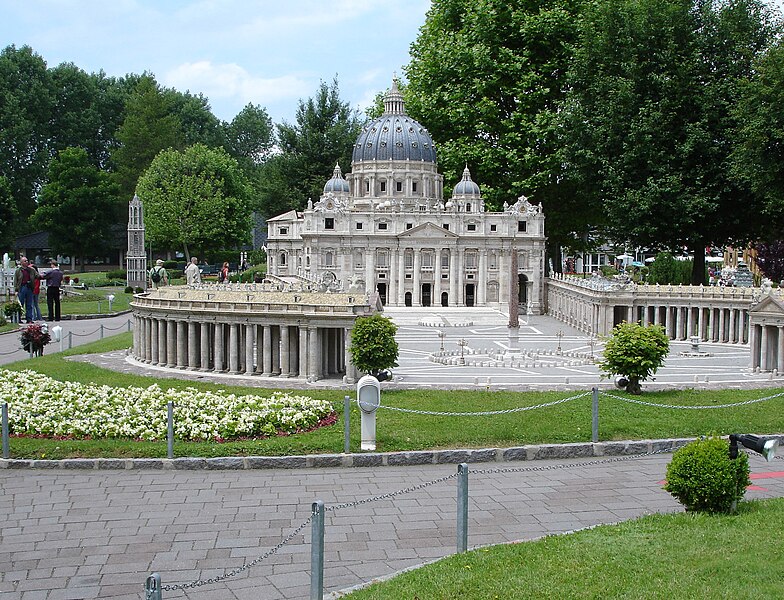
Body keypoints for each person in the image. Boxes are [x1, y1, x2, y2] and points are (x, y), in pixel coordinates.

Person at [13, 256, 37, 323]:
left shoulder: (31, 270)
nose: (27, 262)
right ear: (21, 263)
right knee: (21, 304)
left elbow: (37, 275)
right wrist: (16, 290)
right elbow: (15, 280)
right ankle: (19, 318)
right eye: (25, 261)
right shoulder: (18, 271)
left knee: (29, 304)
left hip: (29, 287)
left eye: (27, 260)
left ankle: (29, 318)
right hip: (22, 287)